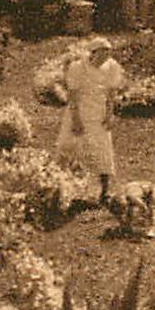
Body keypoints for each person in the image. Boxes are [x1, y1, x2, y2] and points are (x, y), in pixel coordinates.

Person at [56, 39, 127, 206]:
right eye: (101, 54)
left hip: (99, 113)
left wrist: (110, 114)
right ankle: (60, 189)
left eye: (107, 55)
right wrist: (76, 119)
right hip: (79, 111)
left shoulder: (112, 67)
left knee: (102, 150)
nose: (104, 58)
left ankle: (105, 191)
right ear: (92, 53)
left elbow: (111, 94)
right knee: (69, 148)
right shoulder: (77, 68)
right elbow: (72, 96)